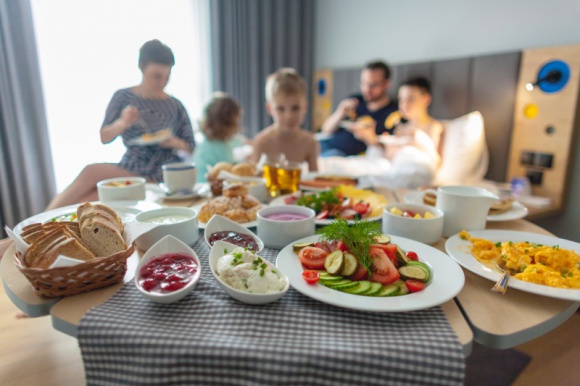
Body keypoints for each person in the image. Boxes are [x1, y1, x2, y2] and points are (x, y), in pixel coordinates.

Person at [46, 40, 195, 210]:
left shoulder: (175, 105)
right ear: (141, 67)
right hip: (132, 164)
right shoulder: (123, 97)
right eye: (156, 76)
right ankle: (36, 226)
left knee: (89, 195)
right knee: (88, 185)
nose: (162, 82)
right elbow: (105, 137)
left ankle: (35, 226)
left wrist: (173, 142)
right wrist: (122, 123)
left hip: (161, 171)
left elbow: (190, 146)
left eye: (167, 76)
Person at [352, 76, 443, 166]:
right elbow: (389, 158)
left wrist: (415, 136)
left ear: (426, 99)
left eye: (410, 99)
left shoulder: (433, 126)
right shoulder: (401, 128)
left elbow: (433, 160)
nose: (404, 105)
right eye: (401, 99)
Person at [320, 60, 398, 157]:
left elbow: (389, 151)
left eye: (373, 85)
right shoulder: (355, 100)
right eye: (363, 83)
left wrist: (370, 138)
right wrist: (340, 113)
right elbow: (325, 130)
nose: (366, 89)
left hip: (342, 155)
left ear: (386, 84)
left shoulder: (393, 114)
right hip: (325, 145)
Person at [250, 68, 319, 171]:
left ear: (305, 106)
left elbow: (315, 181)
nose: (289, 116)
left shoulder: (310, 143)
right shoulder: (261, 142)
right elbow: (254, 182)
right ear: (269, 108)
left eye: (295, 108)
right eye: (280, 109)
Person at [193, 92, 246, 182]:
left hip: (198, 184)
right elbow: (231, 173)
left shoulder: (208, 142)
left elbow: (236, 141)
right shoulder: (221, 147)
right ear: (229, 124)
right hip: (208, 188)